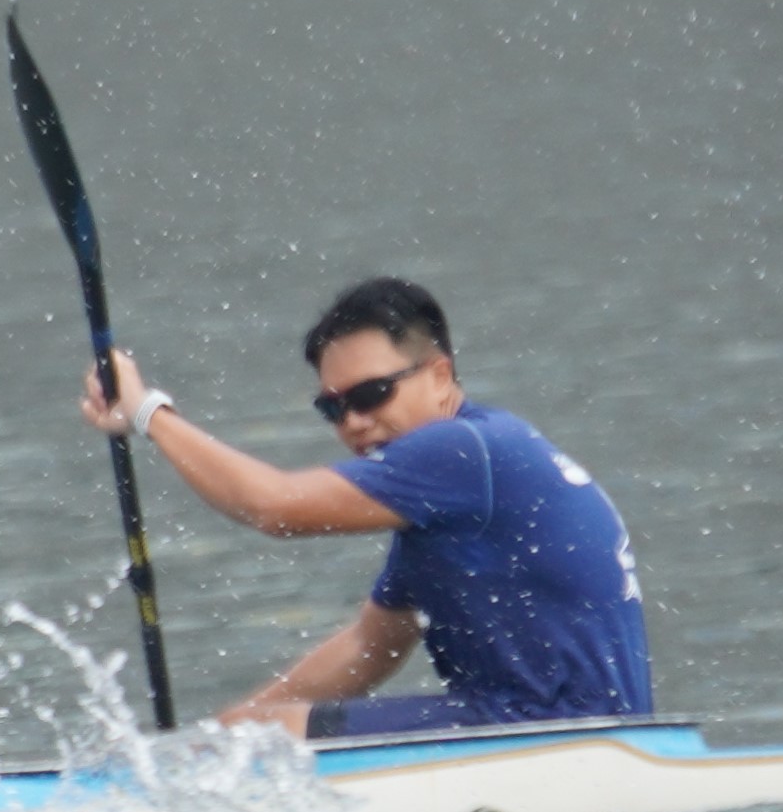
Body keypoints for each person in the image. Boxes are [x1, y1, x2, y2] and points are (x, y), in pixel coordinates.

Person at [77, 276, 649, 740]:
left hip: (555, 734)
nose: (353, 422)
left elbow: (273, 508)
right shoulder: (453, 497)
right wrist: (217, 737)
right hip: (577, 732)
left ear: (440, 375)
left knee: (272, 738)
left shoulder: (460, 452)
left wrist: (147, 412)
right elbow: (369, 646)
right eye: (334, 407)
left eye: (372, 395)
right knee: (259, 732)